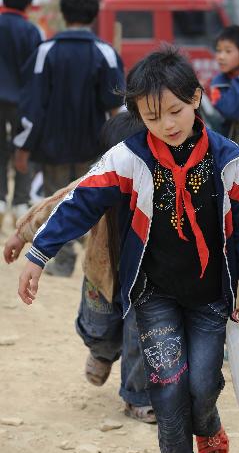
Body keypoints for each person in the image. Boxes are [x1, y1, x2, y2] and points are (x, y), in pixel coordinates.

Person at [17, 46, 239, 453]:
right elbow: (80, 202)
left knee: (203, 383)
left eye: (174, 111)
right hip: (153, 294)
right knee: (167, 386)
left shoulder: (229, 160)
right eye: (152, 117)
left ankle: (206, 424)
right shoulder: (129, 157)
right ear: (137, 115)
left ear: (195, 99)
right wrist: (38, 254)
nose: (166, 125)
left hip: (209, 296)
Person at [4, 113, 156, 423]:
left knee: (141, 336)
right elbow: (59, 205)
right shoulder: (96, 182)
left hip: (146, 279)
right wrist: (23, 233)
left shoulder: (163, 187)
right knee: (98, 329)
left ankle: (137, 396)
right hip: (101, 274)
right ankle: (101, 352)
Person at [13, 0, 125, 277]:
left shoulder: (46, 52)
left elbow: (32, 105)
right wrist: (120, 148)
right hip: (94, 144)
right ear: (93, 16)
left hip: (52, 145)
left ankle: (63, 261)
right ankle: (94, 261)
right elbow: (116, 106)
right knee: (90, 201)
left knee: (55, 199)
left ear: (63, 15)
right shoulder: (105, 52)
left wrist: (23, 148)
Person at [0, 0, 43, 229]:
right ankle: (19, 202)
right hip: (23, 102)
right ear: (28, 4)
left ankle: (0, 200)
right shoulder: (31, 32)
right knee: (24, 148)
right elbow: (36, 72)